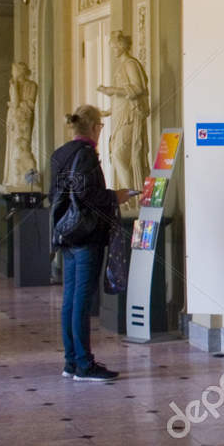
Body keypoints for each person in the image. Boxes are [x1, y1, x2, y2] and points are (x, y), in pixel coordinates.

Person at [49, 105, 135, 381]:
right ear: (96, 128)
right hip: (86, 236)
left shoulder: (60, 154)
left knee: (70, 300)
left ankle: (71, 361)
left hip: (67, 234)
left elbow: (58, 196)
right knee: (82, 301)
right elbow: (88, 196)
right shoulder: (85, 155)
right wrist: (116, 196)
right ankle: (84, 365)